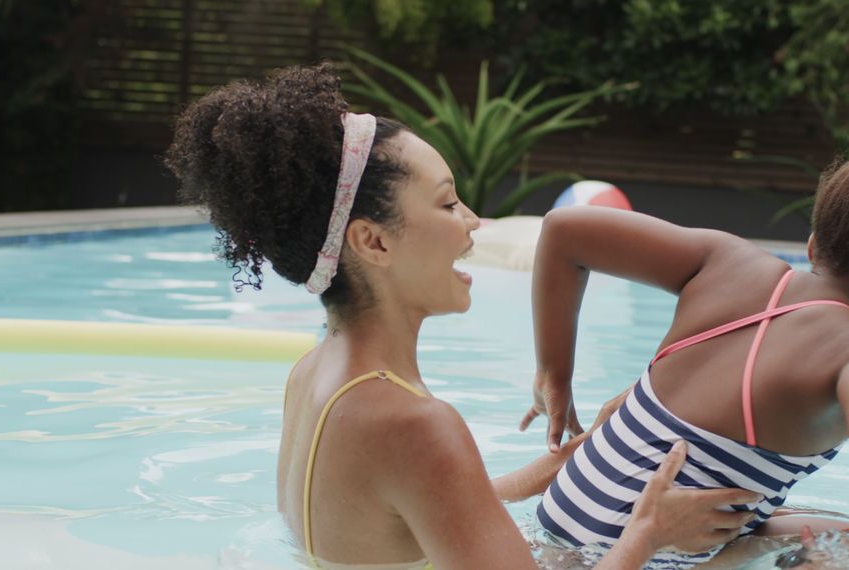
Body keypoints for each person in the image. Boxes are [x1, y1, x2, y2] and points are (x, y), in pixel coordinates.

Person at [164, 63, 760, 569]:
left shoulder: (315, 375)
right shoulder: (415, 424)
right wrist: (651, 533)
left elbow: (419, 516)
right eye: (448, 202)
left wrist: (563, 462)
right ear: (373, 243)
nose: (473, 220)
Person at [521, 104, 849, 566]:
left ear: (813, 244)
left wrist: (554, 373)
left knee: (827, 525)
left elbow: (564, 230)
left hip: (547, 533)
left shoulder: (724, 261)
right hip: (632, 557)